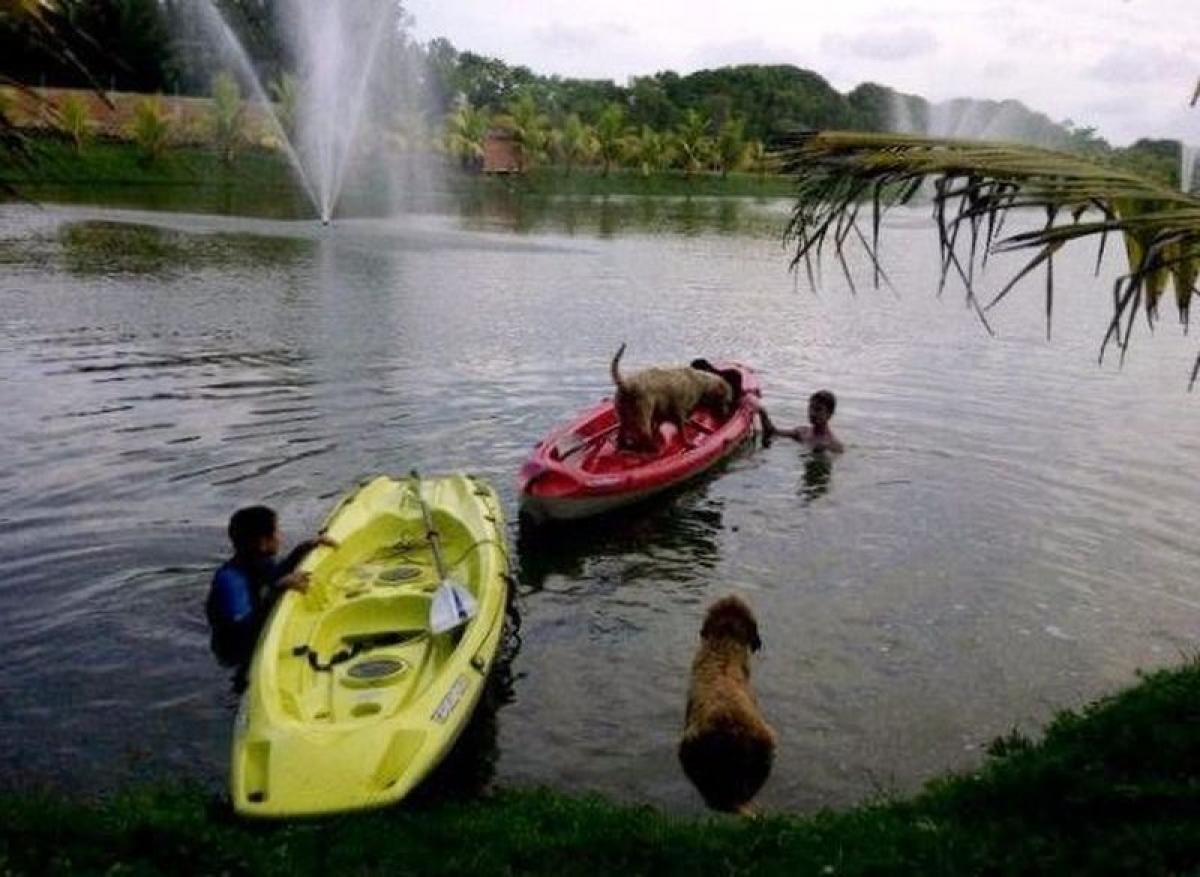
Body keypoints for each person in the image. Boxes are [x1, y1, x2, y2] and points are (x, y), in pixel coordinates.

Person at [205, 505, 335, 669]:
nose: (280, 537)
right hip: (236, 653)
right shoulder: (230, 580)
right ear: (263, 542)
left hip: (251, 623)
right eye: (276, 532)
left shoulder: (259, 561)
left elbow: (274, 576)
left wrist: (305, 548)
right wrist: (277, 591)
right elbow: (242, 628)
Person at [759, 389, 844, 453]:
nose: (812, 413)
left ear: (830, 414)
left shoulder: (833, 445)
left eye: (818, 409)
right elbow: (773, 432)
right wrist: (762, 412)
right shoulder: (801, 432)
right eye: (811, 408)